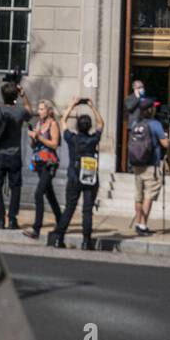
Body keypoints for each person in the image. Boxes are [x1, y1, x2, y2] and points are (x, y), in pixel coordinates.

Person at [49, 98, 104, 250]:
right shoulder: (93, 140)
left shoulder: (72, 138)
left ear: (78, 126)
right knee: (87, 210)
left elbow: (63, 121)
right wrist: (92, 107)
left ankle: (59, 238)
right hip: (89, 177)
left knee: (69, 208)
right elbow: (101, 124)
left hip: (74, 177)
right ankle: (86, 241)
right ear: (89, 127)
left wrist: (72, 104)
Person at [0, 80, 32, 229]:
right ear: (15, 96)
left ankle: (1, 220)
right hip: (15, 155)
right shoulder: (20, 112)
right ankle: (12, 219)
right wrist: (24, 95)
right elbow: (29, 112)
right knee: (16, 187)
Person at [23, 99, 62, 240]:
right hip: (39, 161)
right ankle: (61, 220)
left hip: (49, 163)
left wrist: (39, 136)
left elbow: (54, 144)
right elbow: (34, 146)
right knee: (49, 193)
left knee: (38, 193)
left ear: (48, 110)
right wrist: (33, 137)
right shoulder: (39, 123)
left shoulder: (53, 124)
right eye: (38, 109)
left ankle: (36, 228)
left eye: (41, 109)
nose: (39, 112)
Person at [130, 100, 169, 235]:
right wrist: (168, 135)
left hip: (137, 164)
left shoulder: (135, 124)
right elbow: (165, 144)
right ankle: (143, 224)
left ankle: (137, 223)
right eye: (153, 108)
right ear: (150, 110)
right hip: (151, 165)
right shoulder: (155, 124)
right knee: (148, 196)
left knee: (138, 196)